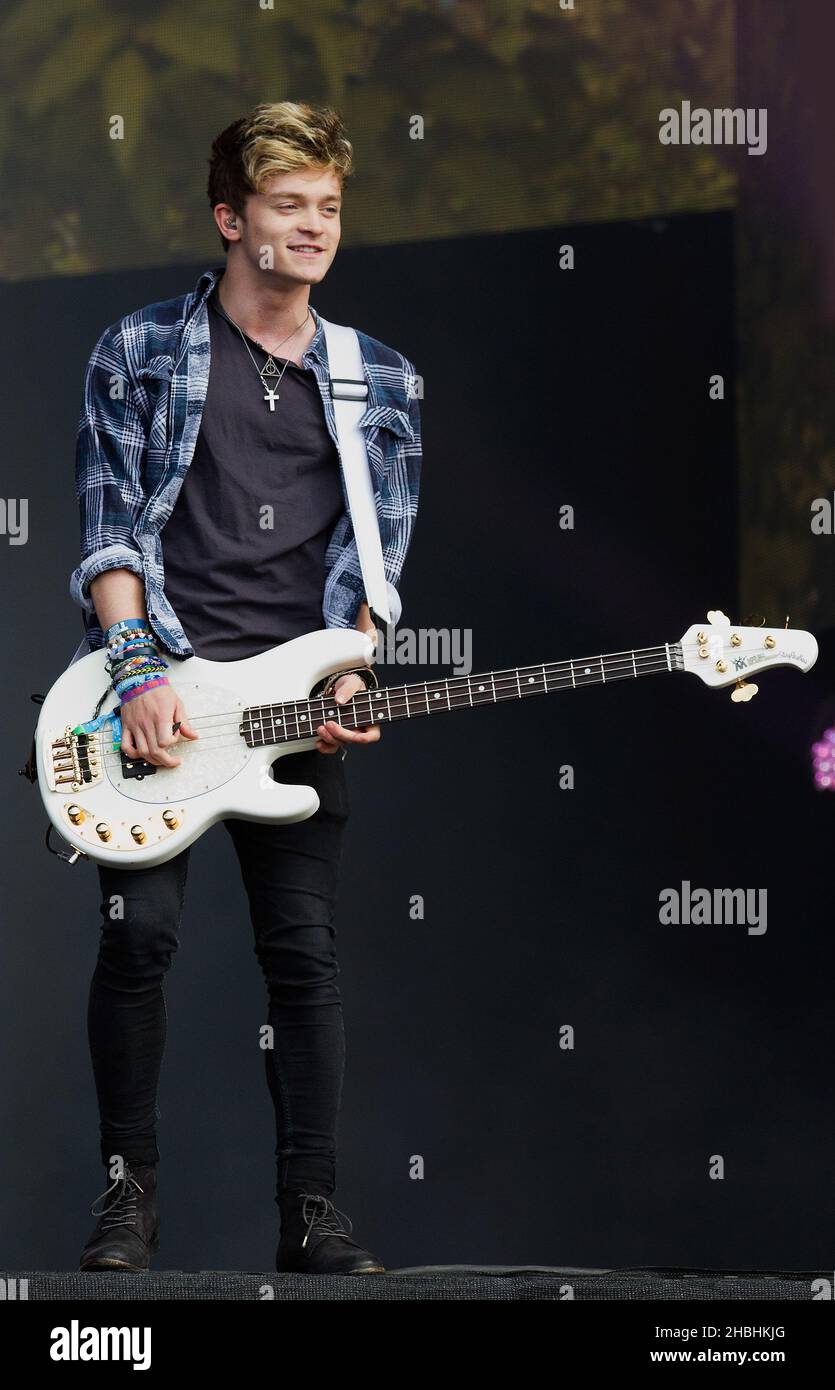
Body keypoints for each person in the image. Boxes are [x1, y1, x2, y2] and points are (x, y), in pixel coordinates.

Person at [69, 101, 422, 1274]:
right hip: (157, 695)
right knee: (140, 942)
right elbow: (111, 535)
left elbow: (378, 561)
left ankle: (314, 1214)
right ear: (232, 218)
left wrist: (355, 664)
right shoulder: (139, 352)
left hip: (295, 704)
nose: (313, 226)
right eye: (287, 205)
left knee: (305, 954)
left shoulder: (381, 381)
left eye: (327, 205)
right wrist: (136, 677)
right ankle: (128, 1201)